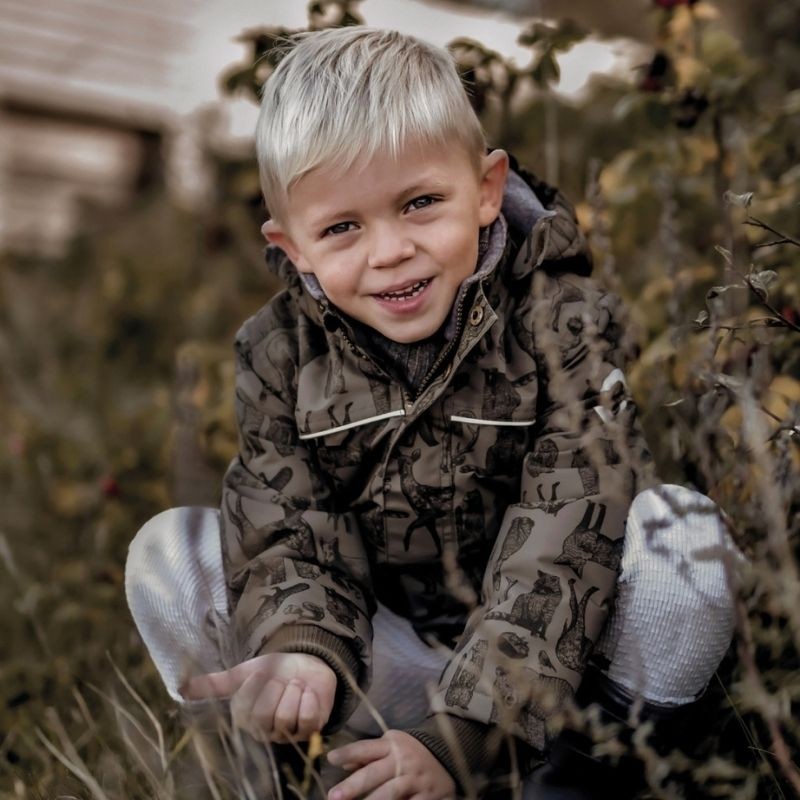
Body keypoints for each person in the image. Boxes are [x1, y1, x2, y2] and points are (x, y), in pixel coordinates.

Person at [125, 26, 740, 799]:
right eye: (343, 227)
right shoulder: (278, 353)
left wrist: (465, 735)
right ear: (294, 246)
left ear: (485, 190)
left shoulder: (564, 320)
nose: (390, 252)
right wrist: (303, 647)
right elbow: (288, 525)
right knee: (169, 551)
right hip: (385, 662)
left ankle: (583, 785)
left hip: (557, 679)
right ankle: (305, 771)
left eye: (421, 203)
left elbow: (569, 529)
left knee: (680, 536)